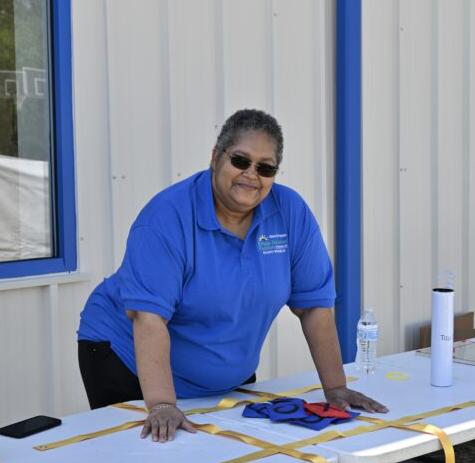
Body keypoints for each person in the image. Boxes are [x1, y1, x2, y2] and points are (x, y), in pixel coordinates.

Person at [77, 109, 387, 443]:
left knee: (237, 462)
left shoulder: (290, 213)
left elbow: (314, 307)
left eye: (265, 167)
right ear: (215, 157)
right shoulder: (167, 217)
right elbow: (149, 319)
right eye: (240, 160)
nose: (251, 175)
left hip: (224, 374)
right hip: (126, 361)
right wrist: (163, 404)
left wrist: (336, 388)